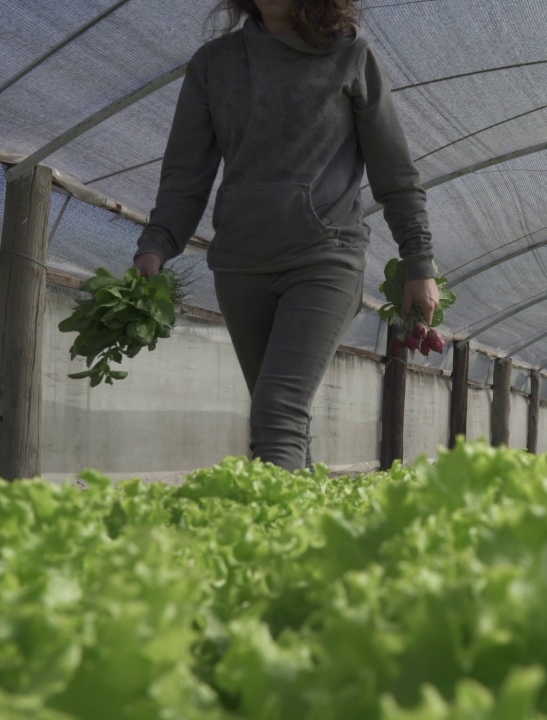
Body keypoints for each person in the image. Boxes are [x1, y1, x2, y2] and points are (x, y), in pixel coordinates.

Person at [132, 0, 439, 471]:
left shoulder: (351, 57)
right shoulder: (214, 64)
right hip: (240, 268)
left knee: (276, 410)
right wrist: (156, 245)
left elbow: (395, 174)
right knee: (281, 419)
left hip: (325, 259)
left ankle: (273, 543)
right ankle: (309, 535)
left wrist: (418, 262)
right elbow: (185, 175)